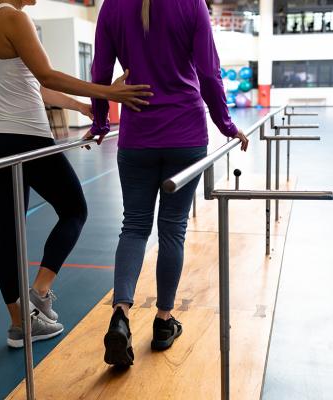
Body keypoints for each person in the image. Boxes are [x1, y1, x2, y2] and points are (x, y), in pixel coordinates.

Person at [0, 0, 152, 348]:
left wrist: (85, 107)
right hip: (24, 139)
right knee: (75, 210)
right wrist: (108, 92)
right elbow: (47, 75)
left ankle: (21, 325)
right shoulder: (14, 17)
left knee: (9, 231)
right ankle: (40, 292)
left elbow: (35, 87)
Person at [86, 0, 249, 366]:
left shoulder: (112, 6)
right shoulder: (191, 4)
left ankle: (121, 316)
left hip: (136, 137)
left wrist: (100, 122)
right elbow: (209, 73)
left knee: (134, 226)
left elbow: (100, 72)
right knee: (172, 229)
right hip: (185, 135)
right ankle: (163, 322)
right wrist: (226, 125)